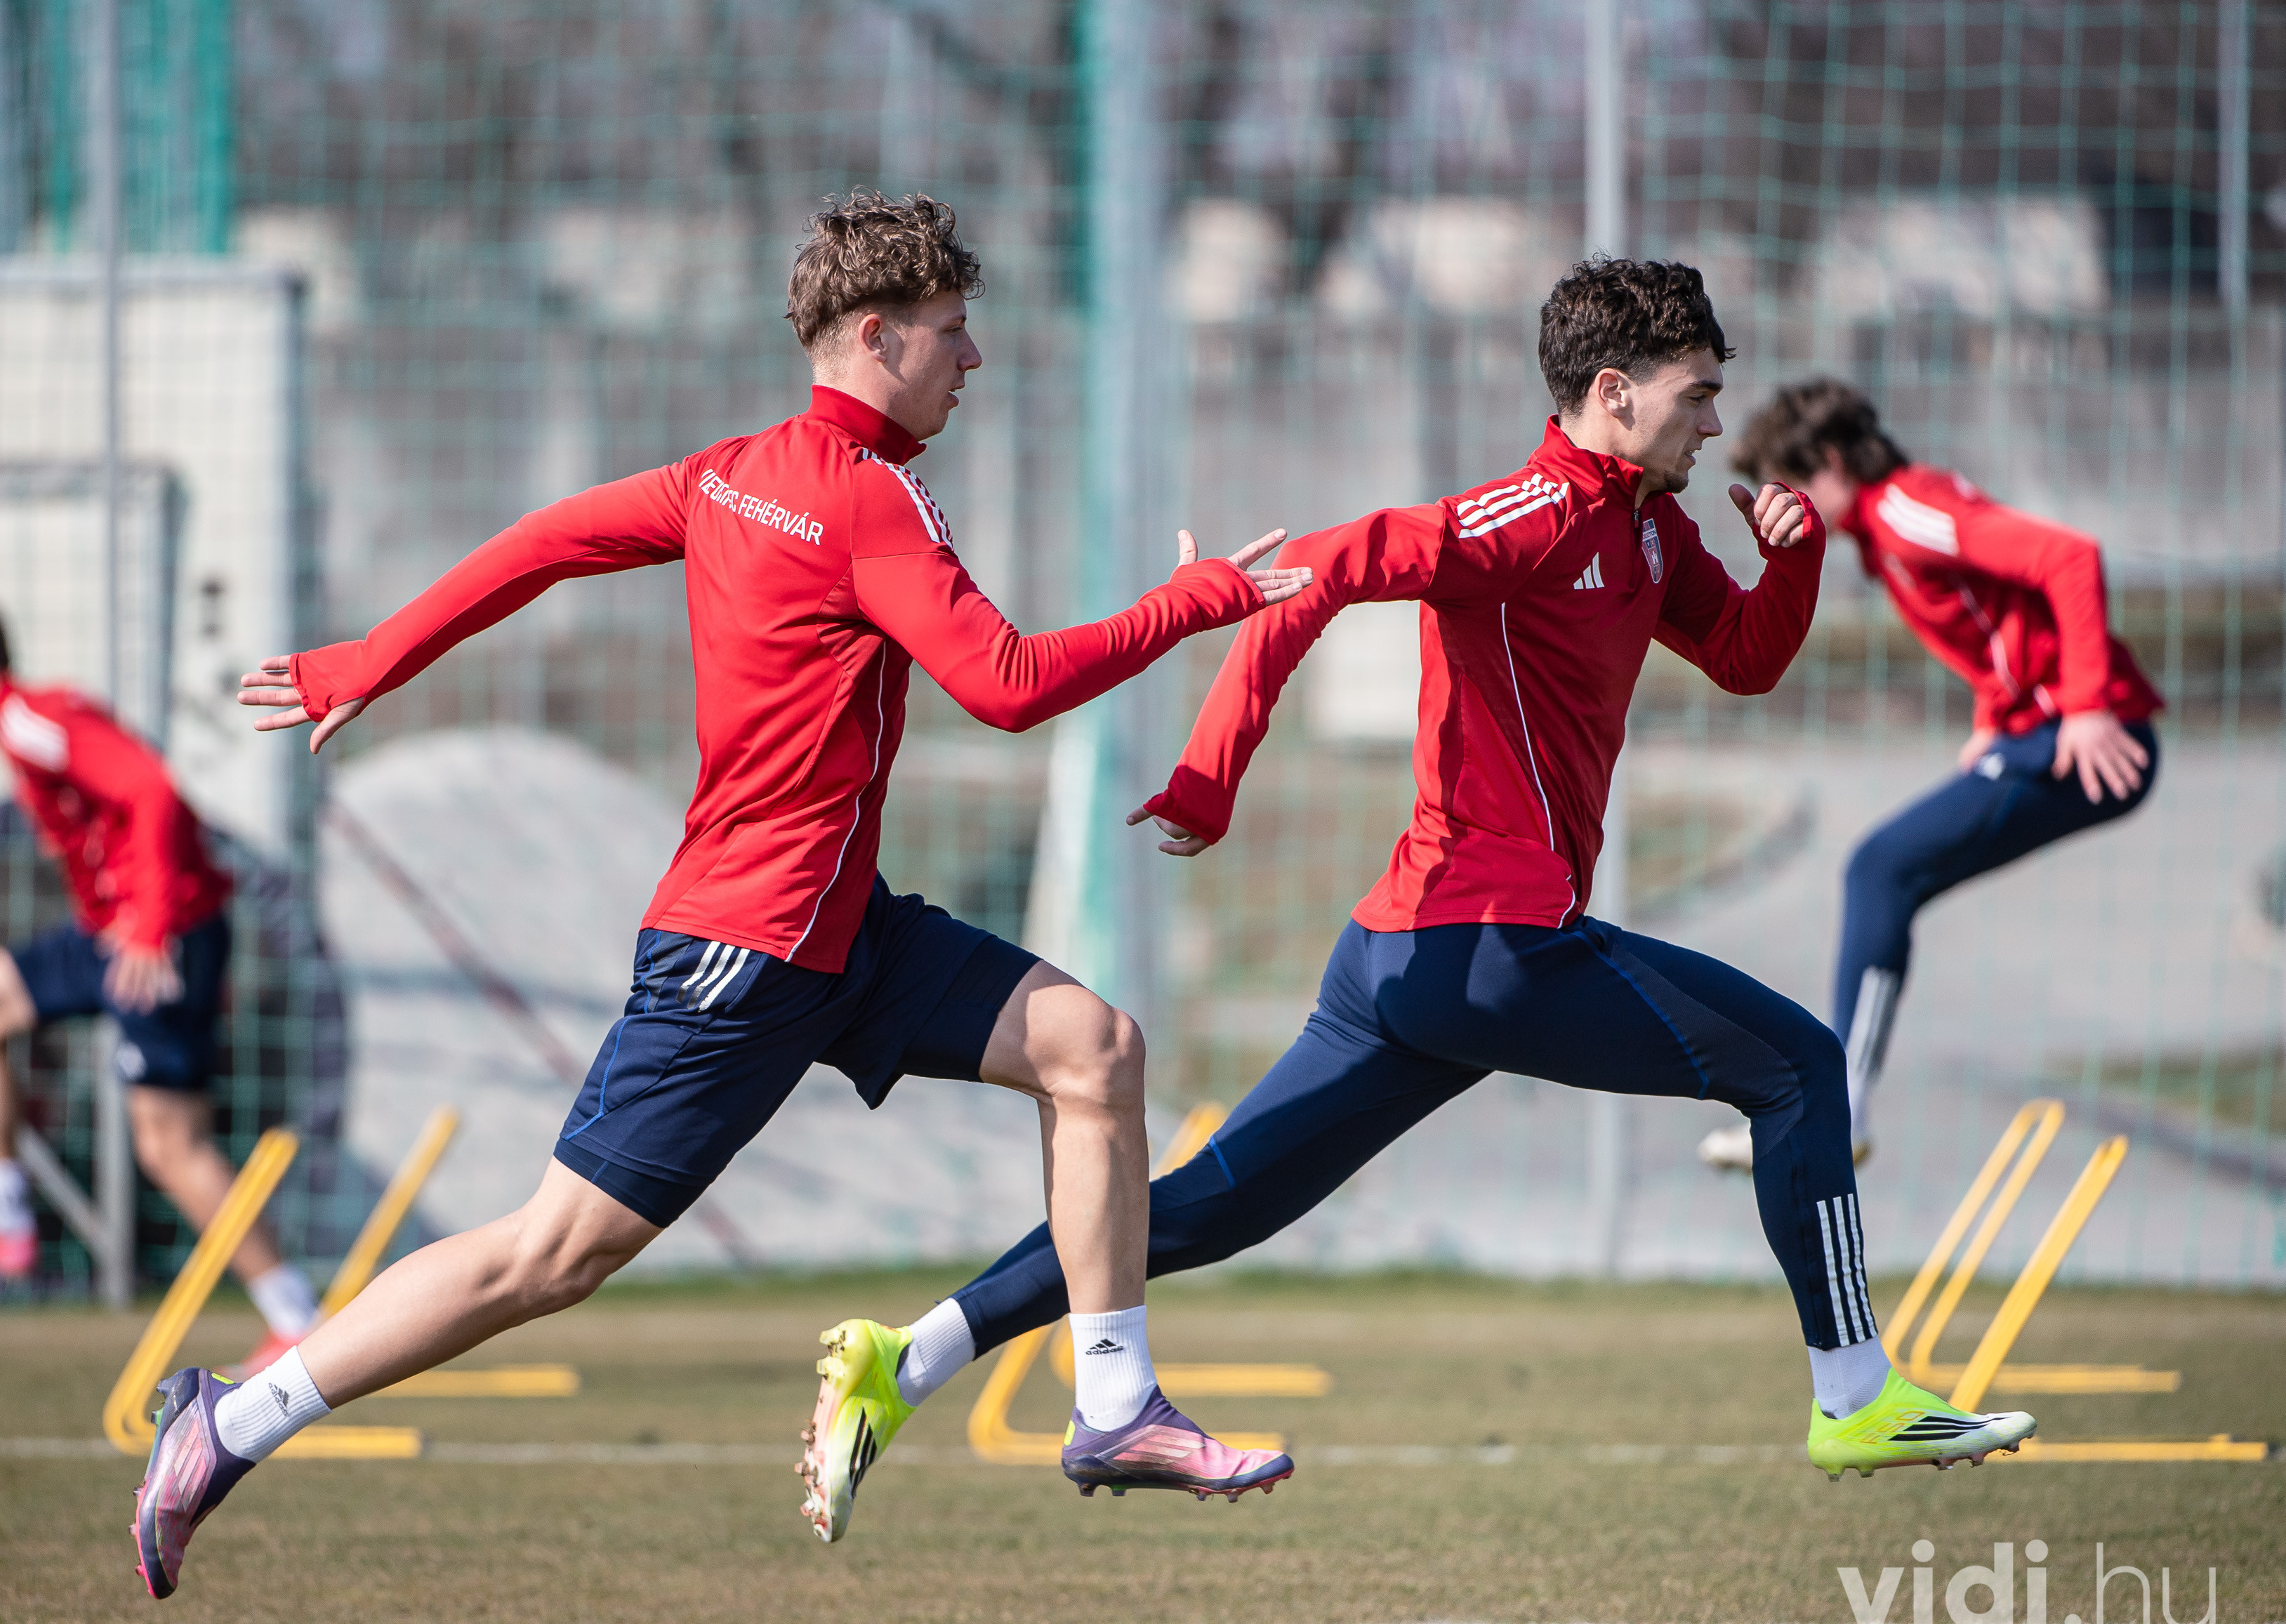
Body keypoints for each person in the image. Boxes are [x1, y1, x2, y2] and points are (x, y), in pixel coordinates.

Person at [128, 190, 1312, 1598]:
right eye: (950, 330)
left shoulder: (729, 474)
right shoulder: (868, 496)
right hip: (745, 953)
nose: (972, 357)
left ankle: (1114, 1402)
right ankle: (235, 1422)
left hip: (839, 929)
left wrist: (373, 658)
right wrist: (1194, 605)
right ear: (875, 337)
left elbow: (543, 540)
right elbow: (1004, 687)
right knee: (547, 1257)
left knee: (1093, 1050)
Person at [809, 258, 2038, 1507]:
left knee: (1203, 1211)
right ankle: (1855, 1393)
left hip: (1407, 961)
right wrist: (1212, 770)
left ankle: (909, 1359)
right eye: (1699, 396)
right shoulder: (1526, 516)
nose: (1716, 425)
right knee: (1801, 1066)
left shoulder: (1650, 530)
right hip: (1487, 947)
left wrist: (1796, 562)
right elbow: (1316, 571)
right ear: (1614, 393)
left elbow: (1743, 659)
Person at [1696, 378, 2162, 1171]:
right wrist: (1994, 718)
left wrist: (2088, 706)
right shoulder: (1883, 535)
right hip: (2039, 730)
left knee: (1881, 869)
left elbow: (2068, 558)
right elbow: (1998, 622)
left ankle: (1838, 1110)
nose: (1785, 506)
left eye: (1792, 484)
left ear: (1833, 461)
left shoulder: (1906, 511)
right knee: (1884, 871)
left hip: (2090, 738)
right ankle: (1835, 1106)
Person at [0, 599, 319, 1373]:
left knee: (170, 1145)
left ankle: (296, 1318)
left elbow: (153, 789)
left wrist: (152, 927)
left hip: (160, 936)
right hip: (108, 934)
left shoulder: (28, 718)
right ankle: (1, 1214)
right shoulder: (22, 726)